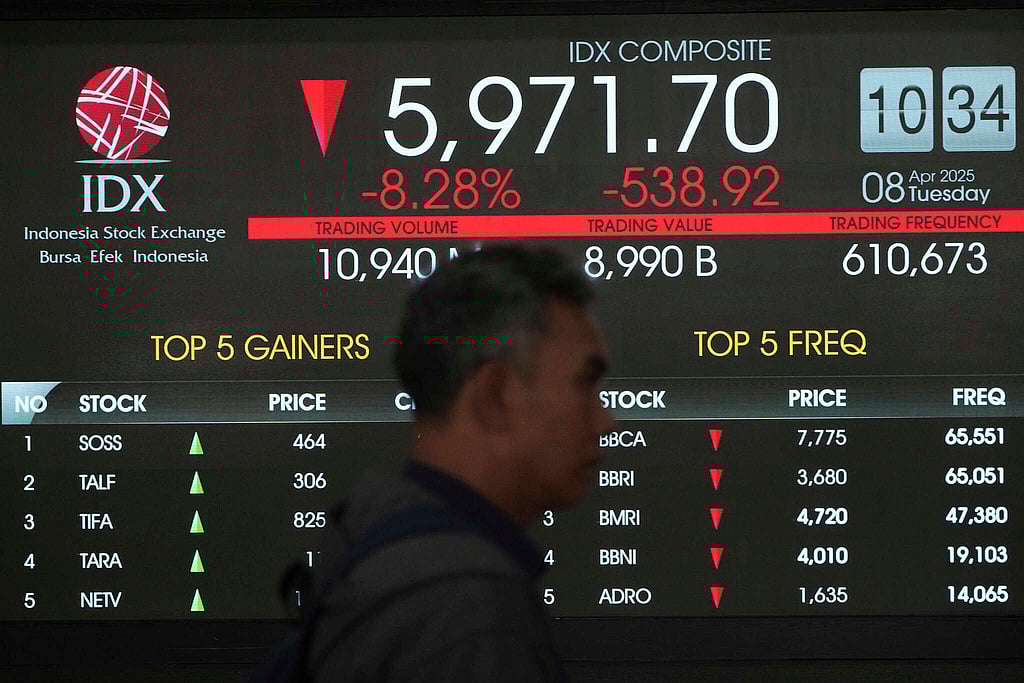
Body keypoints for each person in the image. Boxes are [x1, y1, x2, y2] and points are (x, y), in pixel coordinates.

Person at [304, 245, 614, 681]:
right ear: (496, 395)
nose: (606, 421)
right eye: (585, 383)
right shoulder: (470, 618)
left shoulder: (377, 554)